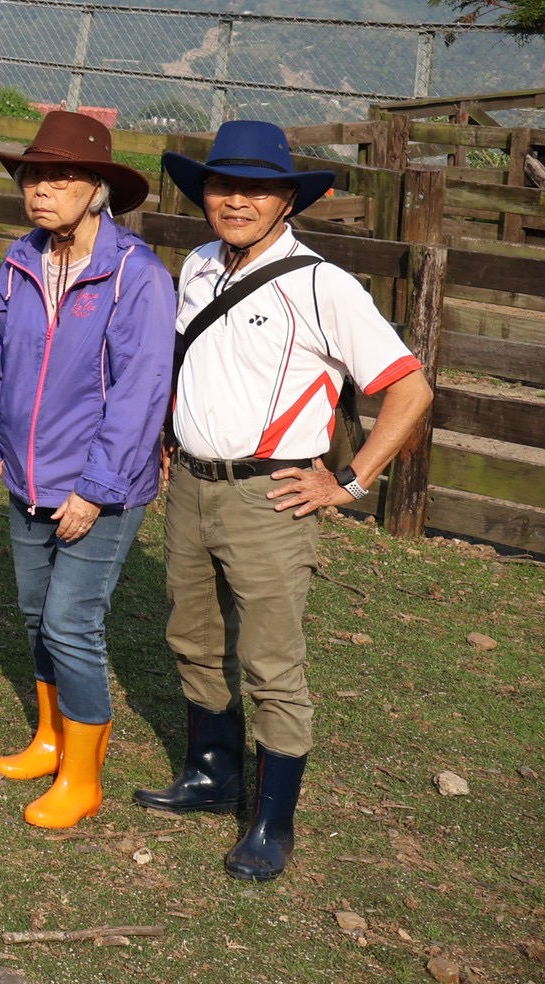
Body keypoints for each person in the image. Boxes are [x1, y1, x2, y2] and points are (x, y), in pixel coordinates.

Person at [133, 121, 433, 881]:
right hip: (193, 485)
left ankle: (272, 822)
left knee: (271, 660)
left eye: (256, 188)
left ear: (285, 201)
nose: (235, 200)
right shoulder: (198, 264)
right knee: (192, 638)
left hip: (273, 495)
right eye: (222, 185)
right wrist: (170, 433)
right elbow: (186, 359)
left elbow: (409, 387)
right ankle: (212, 773)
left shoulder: (320, 285)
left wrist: (352, 479)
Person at [0, 112, 174, 829]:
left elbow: (141, 392)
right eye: (33, 175)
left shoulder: (134, 276)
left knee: (70, 622)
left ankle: (83, 777)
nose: (40, 189)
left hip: (98, 487)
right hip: (25, 476)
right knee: (34, 616)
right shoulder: (21, 262)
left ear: (98, 190)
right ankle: (51, 738)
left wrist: (97, 487)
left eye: (61, 176)